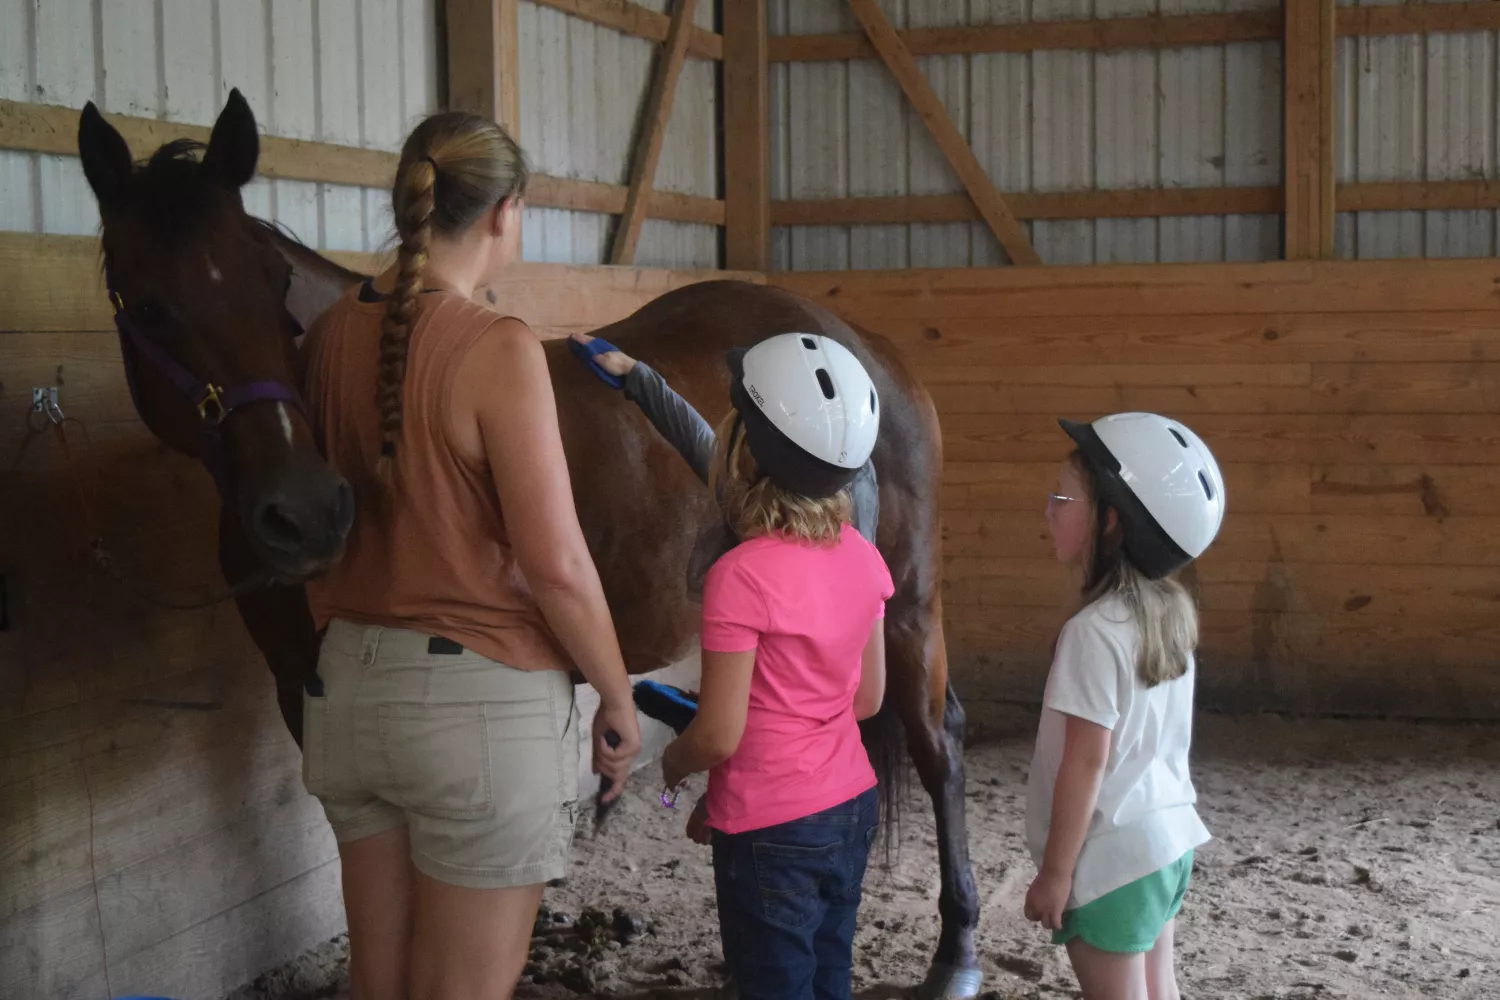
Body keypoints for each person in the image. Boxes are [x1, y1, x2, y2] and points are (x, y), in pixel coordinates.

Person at [300, 111, 642, 1000]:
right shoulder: (498, 348)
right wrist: (615, 691)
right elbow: (556, 564)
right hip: (476, 711)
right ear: (503, 213)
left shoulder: (333, 332)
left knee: (381, 984)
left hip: (347, 694)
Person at [616, 332, 891, 1000]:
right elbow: (869, 699)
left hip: (771, 830)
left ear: (743, 450)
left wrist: (672, 768)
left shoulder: (740, 576)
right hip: (851, 805)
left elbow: (717, 735)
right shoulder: (861, 553)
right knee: (830, 978)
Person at [1023, 412, 1226, 1000]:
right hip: (1166, 841)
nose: (1048, 509)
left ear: (1111, 522)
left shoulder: (1092, 632)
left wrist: (1056, 873)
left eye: (1062, 497)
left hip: (1109, 861)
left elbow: (1085, 764)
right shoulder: (1171, 614)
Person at [567, 331, 880, 598]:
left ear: (747, 451)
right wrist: (638, 376)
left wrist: (638, 377)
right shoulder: (864, 563)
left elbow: (703, 449)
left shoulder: (742, 573)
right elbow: (698, 443)